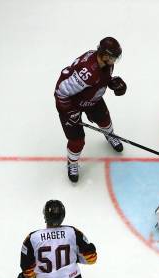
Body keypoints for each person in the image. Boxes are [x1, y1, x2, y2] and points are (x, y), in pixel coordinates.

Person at [54, 37, 127, 183]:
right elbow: (61, 91)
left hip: (93, 99)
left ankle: (109, 135)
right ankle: (72, 163)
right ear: (105, 55)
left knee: (105, 120)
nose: (114, 61)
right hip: (71, 106)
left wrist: (112, 83)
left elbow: (100, 79)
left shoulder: (104, 63)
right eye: (113, 57)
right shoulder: (86, 72)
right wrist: (69, 112)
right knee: (77, 141)